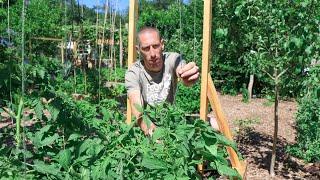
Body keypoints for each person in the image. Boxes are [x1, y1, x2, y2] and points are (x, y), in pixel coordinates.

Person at [125, 27, 199, 136]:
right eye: (146, 48)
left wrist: (187, 76)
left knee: (213, 124)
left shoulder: (172, 59)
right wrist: (154, 134)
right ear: (138, 50)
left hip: (171, 120)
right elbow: (137, 108)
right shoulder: (133, 72)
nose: (153, 54)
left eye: (155, 46)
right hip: (147, 126)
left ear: (162, 44)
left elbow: (181, 68)